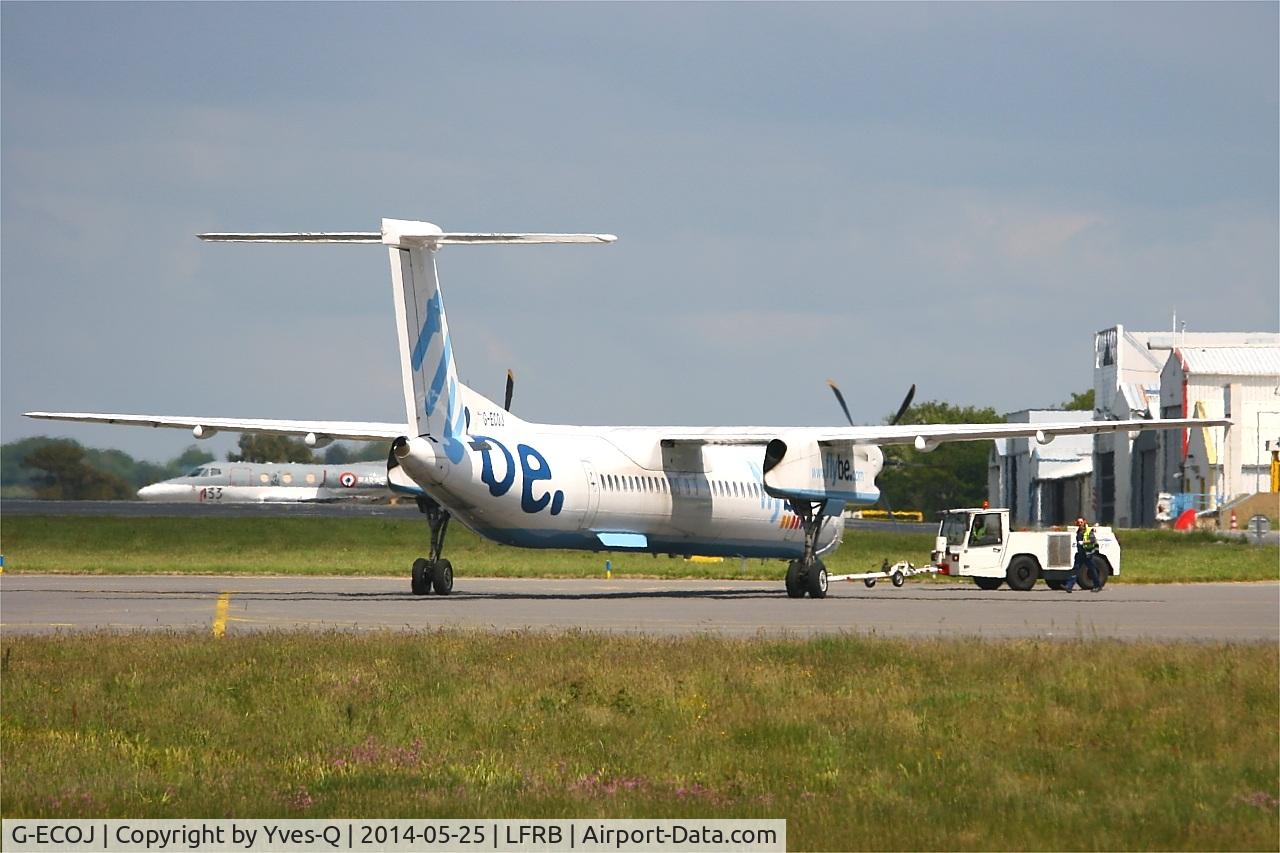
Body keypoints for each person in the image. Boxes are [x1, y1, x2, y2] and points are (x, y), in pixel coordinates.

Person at [1063, 517, 1102, 593]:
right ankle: (1069, 586)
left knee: (1092, 570)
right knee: (1075, 570)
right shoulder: (1079, 531)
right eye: (1078, 523)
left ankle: (1097, 585)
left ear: (1084, 522)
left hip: (1087, 554)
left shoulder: (1088, 530)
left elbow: (1092, 541)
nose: (1079, 524)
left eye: (1081, 522)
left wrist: (1083, 543)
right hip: (1080, 554)